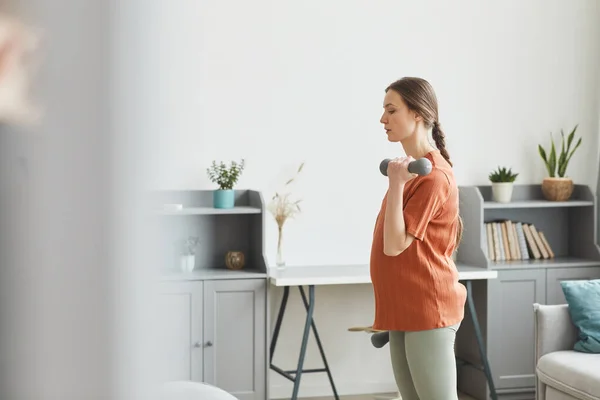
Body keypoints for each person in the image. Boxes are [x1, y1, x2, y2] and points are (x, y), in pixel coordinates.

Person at [370, 77, 467, 400]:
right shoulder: (410, 171)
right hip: (403, 307)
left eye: (391, 110)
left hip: (428, 309)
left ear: (417, 114)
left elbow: (394, 244)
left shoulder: (432, 176)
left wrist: (395, 184)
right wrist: (399, 180)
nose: (383, 119)